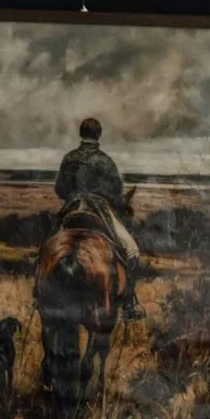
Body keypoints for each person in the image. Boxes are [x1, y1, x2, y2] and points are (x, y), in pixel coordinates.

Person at [54, 118, 144, 320]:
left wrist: (73, 195)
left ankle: (38, 294)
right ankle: (130, 303)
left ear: (80, 133)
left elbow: (59, 189)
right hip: (101, 209)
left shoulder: (69, 158)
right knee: (131, 250)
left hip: (72, 207)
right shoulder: (106, 161)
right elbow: (117, 192)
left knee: (45, 246)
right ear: (99, 135)